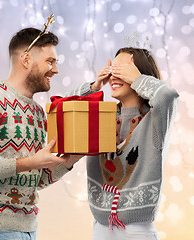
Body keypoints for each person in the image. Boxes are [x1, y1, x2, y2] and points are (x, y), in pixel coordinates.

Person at [0, 27, 88, 240]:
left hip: (28, 230)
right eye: (50, 61)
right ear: (26, 59)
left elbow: (35, 180)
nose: (55, 70)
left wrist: (68, 161)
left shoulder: (37, 112)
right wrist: (29, 162)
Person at [70, 47, 179, 239]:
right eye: (113, 69)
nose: (114, 75)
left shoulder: (154, 121)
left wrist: (136, 79)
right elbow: (64, 107)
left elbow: (168, 96)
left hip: (137, 231)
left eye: (123, 70)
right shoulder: (102, 116)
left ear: (139, 74)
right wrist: (94, 86)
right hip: (100, 228)